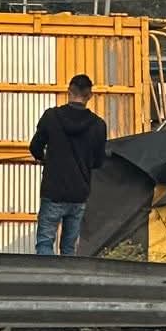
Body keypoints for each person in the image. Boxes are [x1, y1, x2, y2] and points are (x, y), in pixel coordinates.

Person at [29, 73, 107, 256]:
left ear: (69, 91)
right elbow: (99, 162)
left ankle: (45, 282)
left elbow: (35, 147)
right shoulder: (98, 125)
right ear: (89, 96)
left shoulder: (51, 117)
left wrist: (46, 159)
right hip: (79, 193)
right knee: (69, 249)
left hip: (53, 190)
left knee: (45, 243)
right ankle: (66, 282)